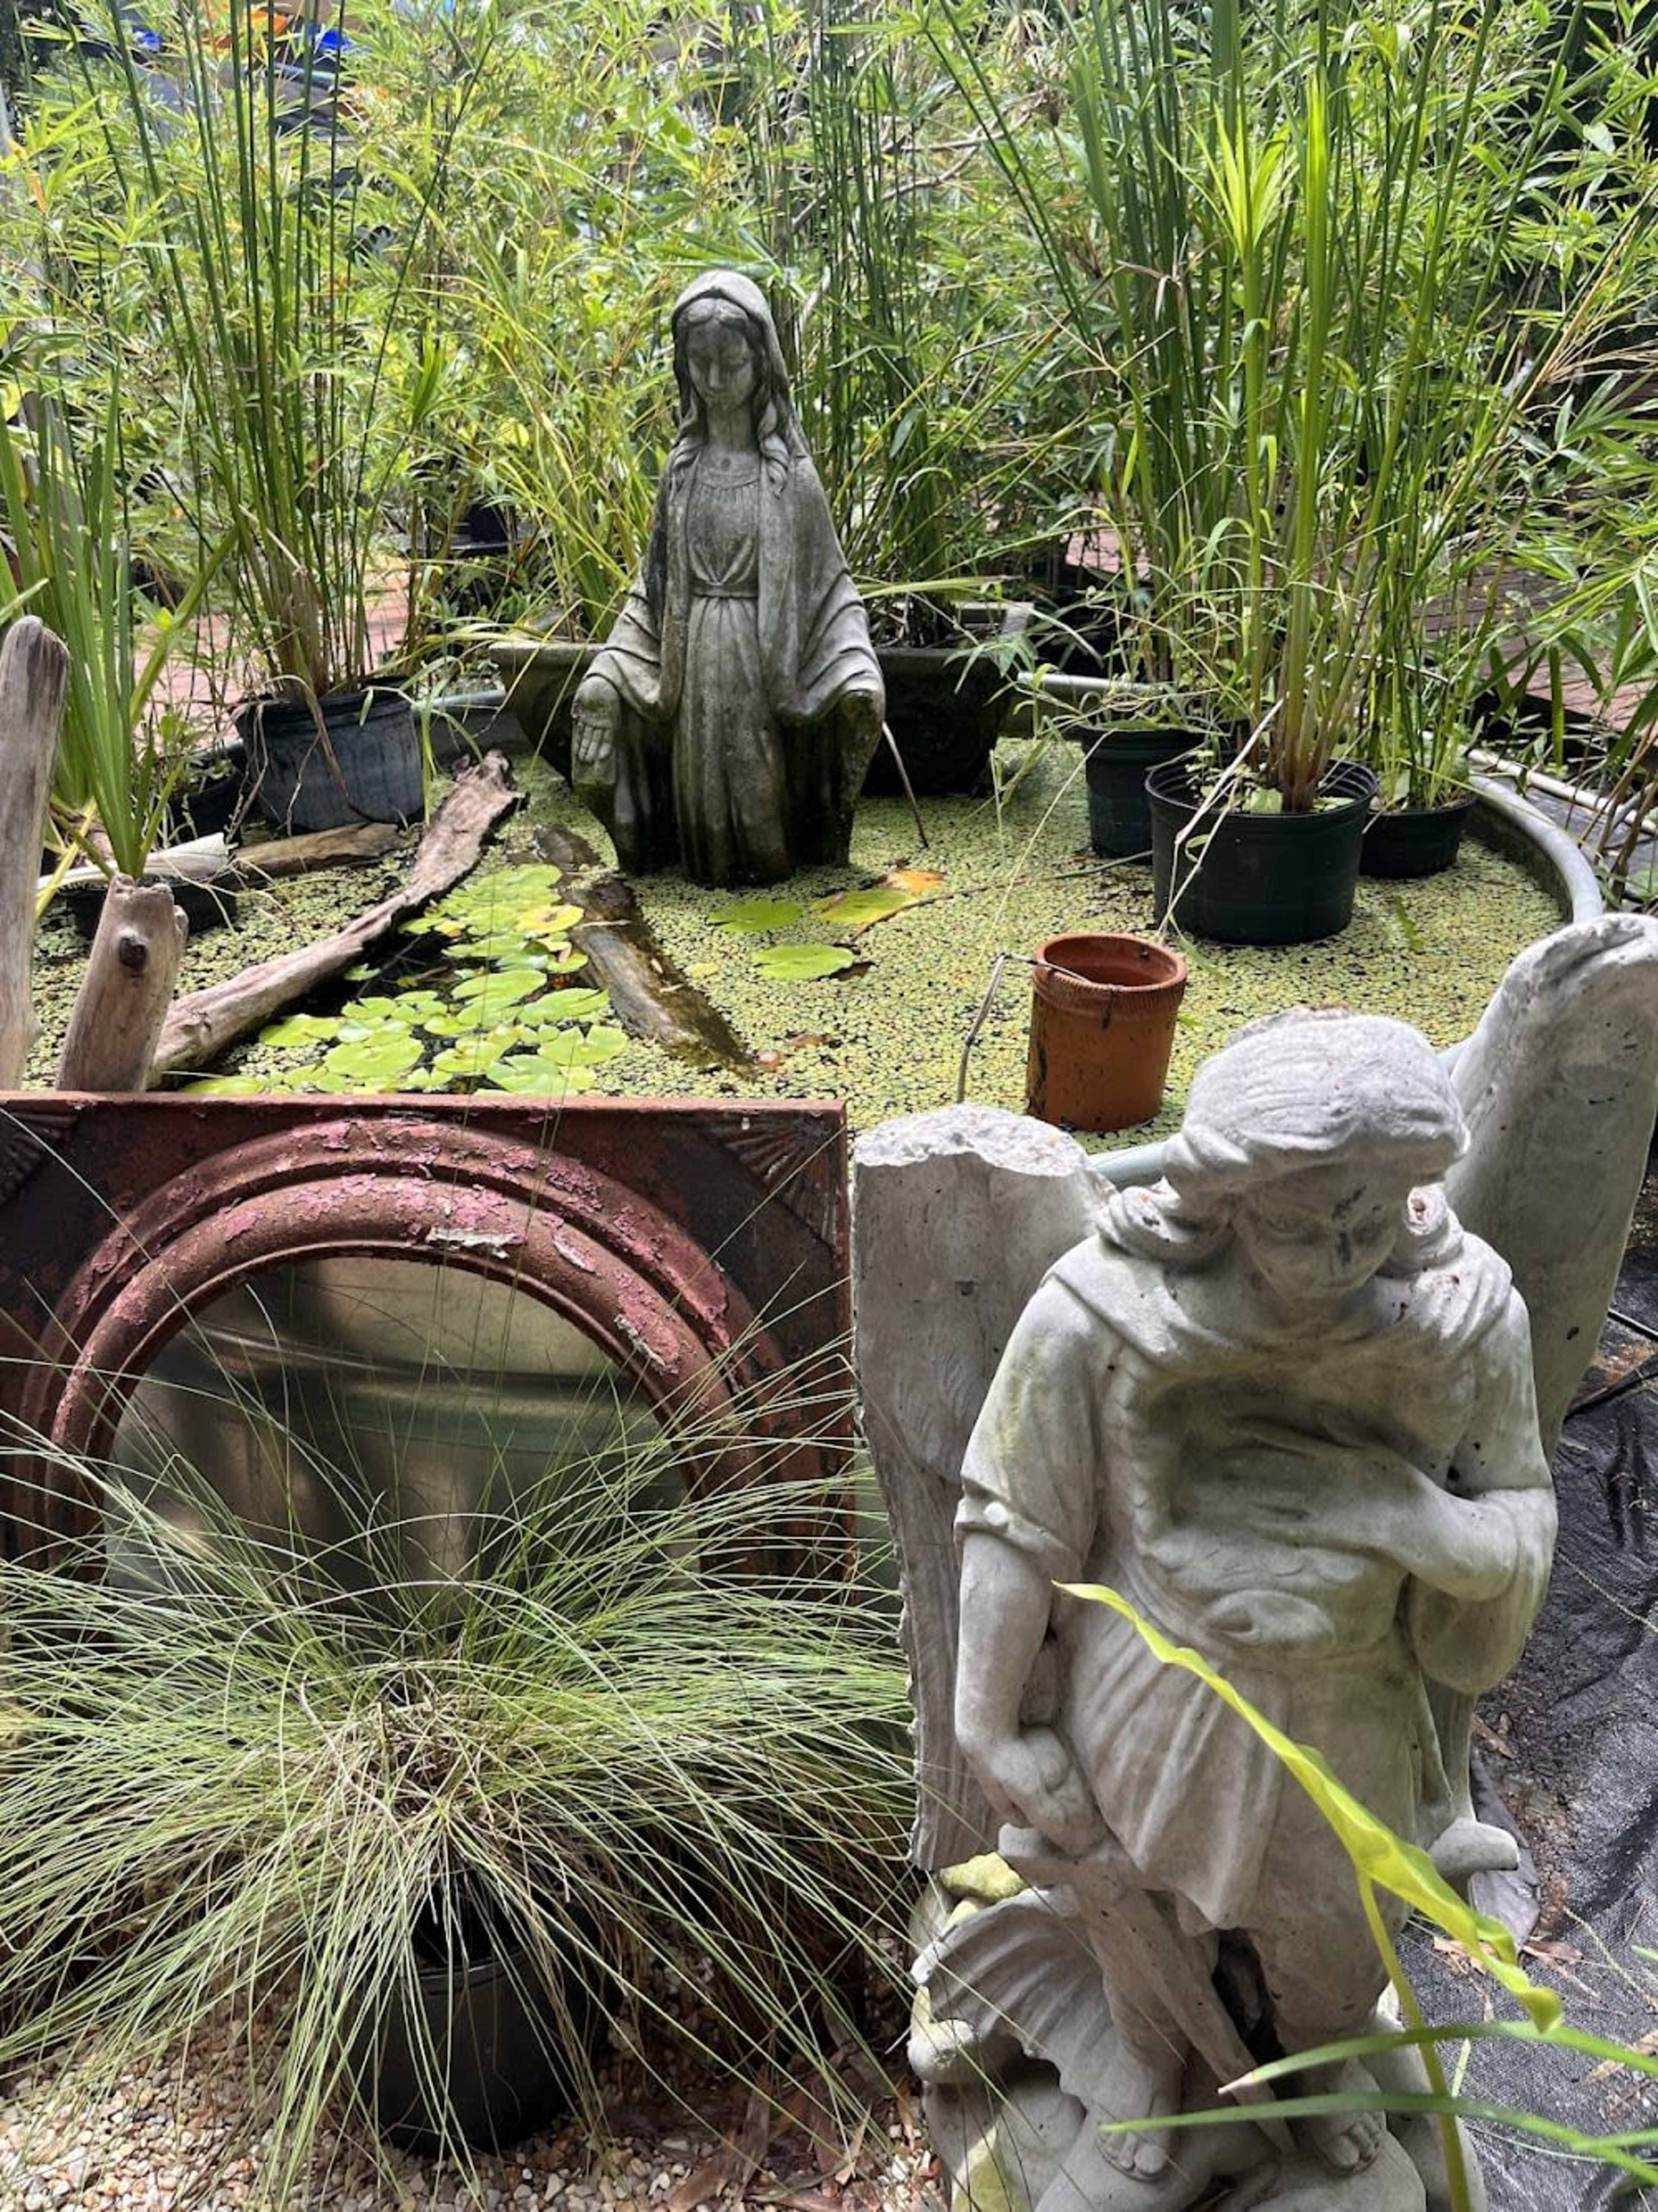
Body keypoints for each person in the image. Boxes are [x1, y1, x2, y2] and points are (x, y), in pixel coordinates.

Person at [950, 1009, 1557, 2206]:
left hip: (1352, 1710)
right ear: (1220, 1199)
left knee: (1334, 1942)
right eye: (1294, 1221)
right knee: (1145, 1914)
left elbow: (1522, 1509)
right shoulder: (1111, 1312)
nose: (1335, 1254)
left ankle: (1316, 2074)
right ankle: (1153, 2065)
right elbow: (1016, 1515)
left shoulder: (1460, 1318)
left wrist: (1412, 1518)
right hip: (1153, 1693)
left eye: (1365, 1219)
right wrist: (993, 1718)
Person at [572, 272, 884, 888]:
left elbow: (833, 592)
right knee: (703, 838)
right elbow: (651, 594)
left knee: (760, 823)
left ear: (761, 364)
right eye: (699, 363)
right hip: (691, 670)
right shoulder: (681, 473)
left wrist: (857, 672)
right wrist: (607, 675)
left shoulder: (792, 481)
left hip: (759, 671)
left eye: (731, 364)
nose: (715, 382)